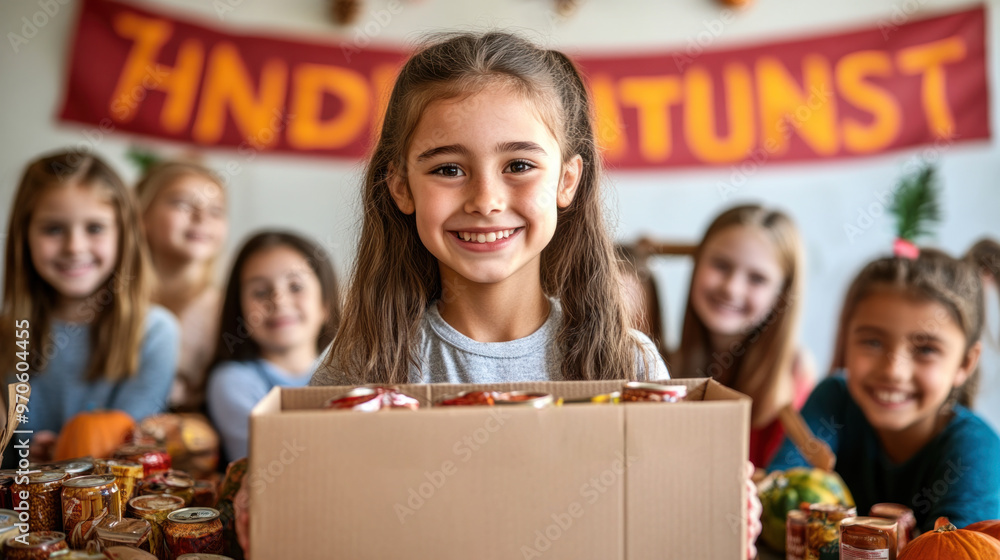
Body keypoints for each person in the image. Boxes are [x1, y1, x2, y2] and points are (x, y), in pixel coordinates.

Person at [310, 31, 667, 387]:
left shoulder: (630, 364)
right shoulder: (356, 369)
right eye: (448, 169)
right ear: (401, 187)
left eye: (519, 166)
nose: (485, 201)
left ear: (566, 181)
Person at [768, 248, 1000, 530]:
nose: (893, 371)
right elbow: (776, 501)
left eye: (926, 349)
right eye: (873, 343)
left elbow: (962, 549)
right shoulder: (833, 400)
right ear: (845, 340)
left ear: (965, 363)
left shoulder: (976, 450)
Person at [0, 150, 179, 465]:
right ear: (24, 235)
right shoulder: (7, 334)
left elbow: (125, 453)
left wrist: (65, 457)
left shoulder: (155, 333)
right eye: (53, 229)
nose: (74, 247)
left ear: (124, 235)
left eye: (94, 228)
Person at [671, 204, 815, 468]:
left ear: (781, 295)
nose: (731, 288)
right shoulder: (665, 368)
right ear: (697, 263)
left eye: (757, 279)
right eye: (721, 265)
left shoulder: (797, 376)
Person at [206, 231, 340, 462]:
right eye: (260, 292)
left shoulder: (353, 371)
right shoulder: (232, 382)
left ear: (325, 304)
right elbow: (268, 462)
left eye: (296, 287)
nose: (278, 300)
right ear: (240, 311)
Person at [137, 160, 228, 411]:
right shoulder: (113, 303)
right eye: (182, 204)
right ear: (141, 216)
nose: (201, 217)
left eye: (216, 210)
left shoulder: (227, 310)